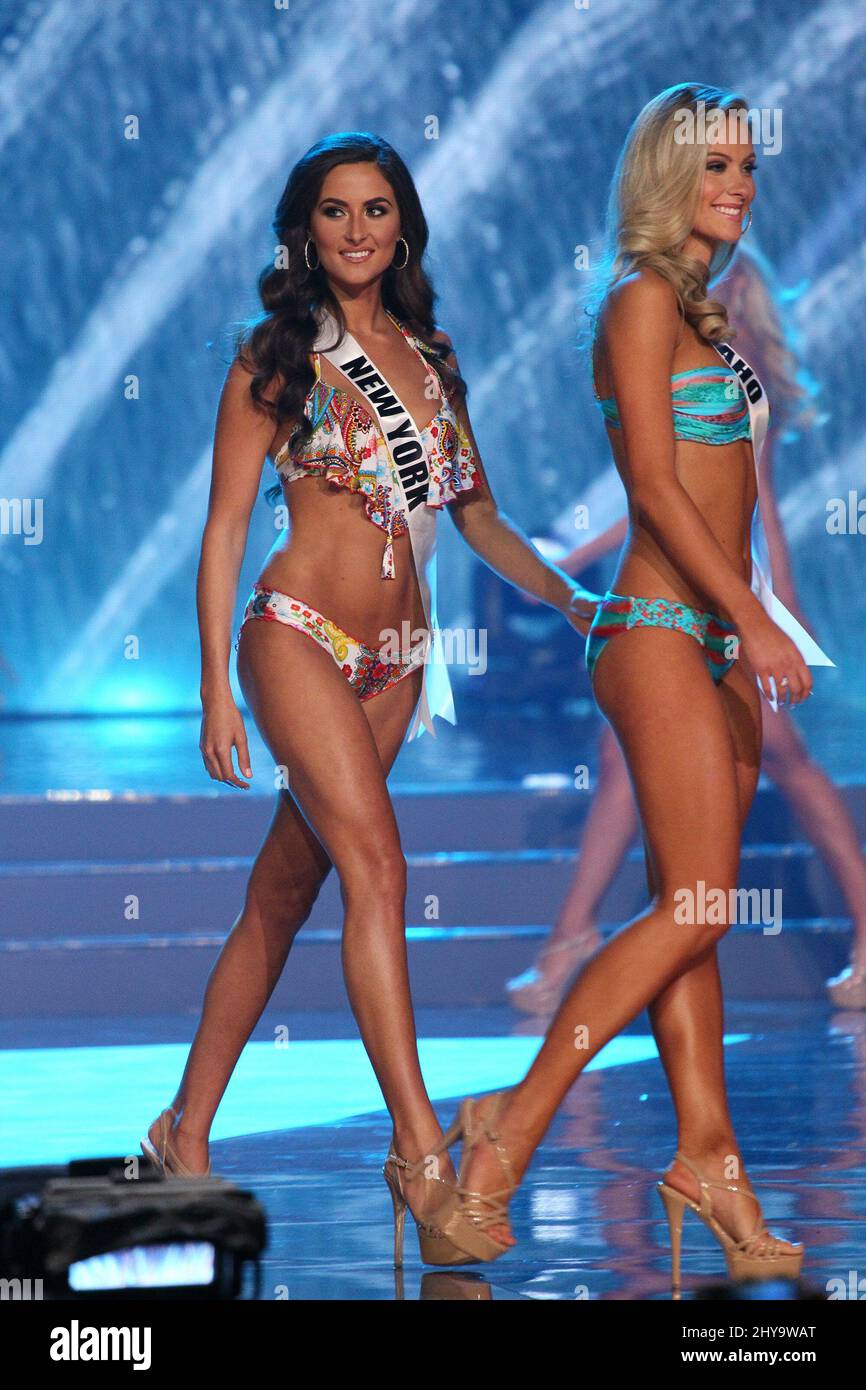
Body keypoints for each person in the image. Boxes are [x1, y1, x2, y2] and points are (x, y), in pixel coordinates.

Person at [139, 132, 595, 1268]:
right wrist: (213, 687)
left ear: (403, 226)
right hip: (293, 635)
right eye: (334, 211)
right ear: (306, 229)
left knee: (282, 895)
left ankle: (180, 1126)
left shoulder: (432, 360)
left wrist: (577, 599)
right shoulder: (275, 360)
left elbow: (478, 517)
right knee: (379, 871)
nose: (356, 230)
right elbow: (225, 531)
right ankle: (418, 1154)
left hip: (397, 659)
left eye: (376, 209)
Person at [429, 84, 832, 1288]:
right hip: (660, 627)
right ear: (665, 177)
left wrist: (761, 617)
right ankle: (509, 1123)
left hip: (711, 638)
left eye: (747, 168)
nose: (739, 187)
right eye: (714, 168)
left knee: (690, 914)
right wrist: (751, 614)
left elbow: (736, 484)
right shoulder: (638, 300)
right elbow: (654, 490)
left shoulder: (706, 314)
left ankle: (709, 1159)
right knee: (701, 908)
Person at [508, 244, 866, 1015]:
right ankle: (569, 940)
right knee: (625, 764)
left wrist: (779, 606)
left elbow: (748, 501)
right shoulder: (670, 339)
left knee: (787, 766)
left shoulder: (735, 368)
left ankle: (568, 953)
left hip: (728, 597)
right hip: (683, 595)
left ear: (739, 284)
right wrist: (575, 558)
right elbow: (656, 492)